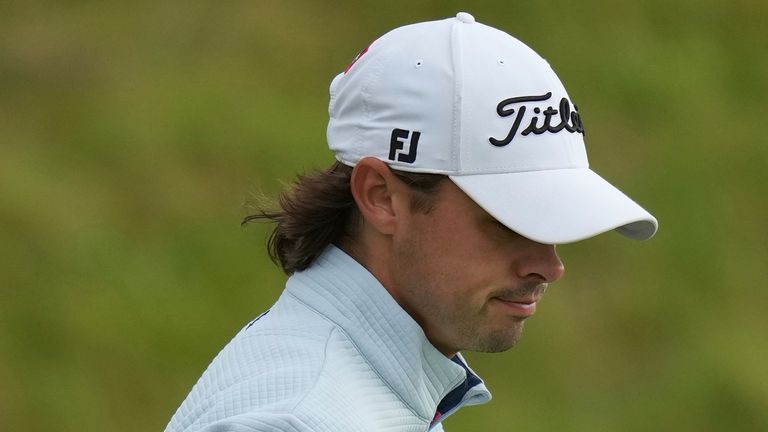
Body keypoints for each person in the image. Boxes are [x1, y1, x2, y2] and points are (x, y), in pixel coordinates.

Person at [165, 12, 657, 432]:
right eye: (507, 223)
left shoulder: (361, 390)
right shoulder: (301, 420)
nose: (549, 266)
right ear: (380, 197)